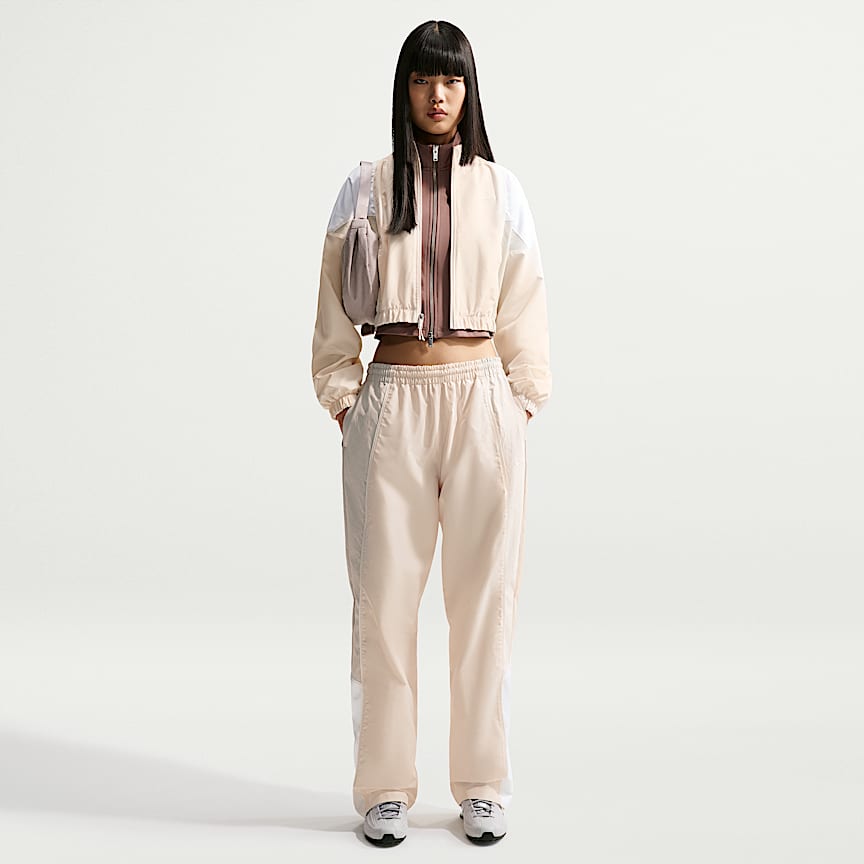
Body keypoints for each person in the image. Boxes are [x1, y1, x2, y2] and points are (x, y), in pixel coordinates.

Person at [311, 19, 551, 847]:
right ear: (404, 88)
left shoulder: (502, 190)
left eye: (451, 79)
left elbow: (526, 305)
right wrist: (346, 398)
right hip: (391, 404)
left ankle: (481, 784)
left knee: (485, 603)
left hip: (481, 401)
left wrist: (519, 402)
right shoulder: (365, 187)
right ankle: (384, 787)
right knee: (383, 606)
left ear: (468, 89)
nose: (437, 94)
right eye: (422, 78)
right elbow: (332, 307)